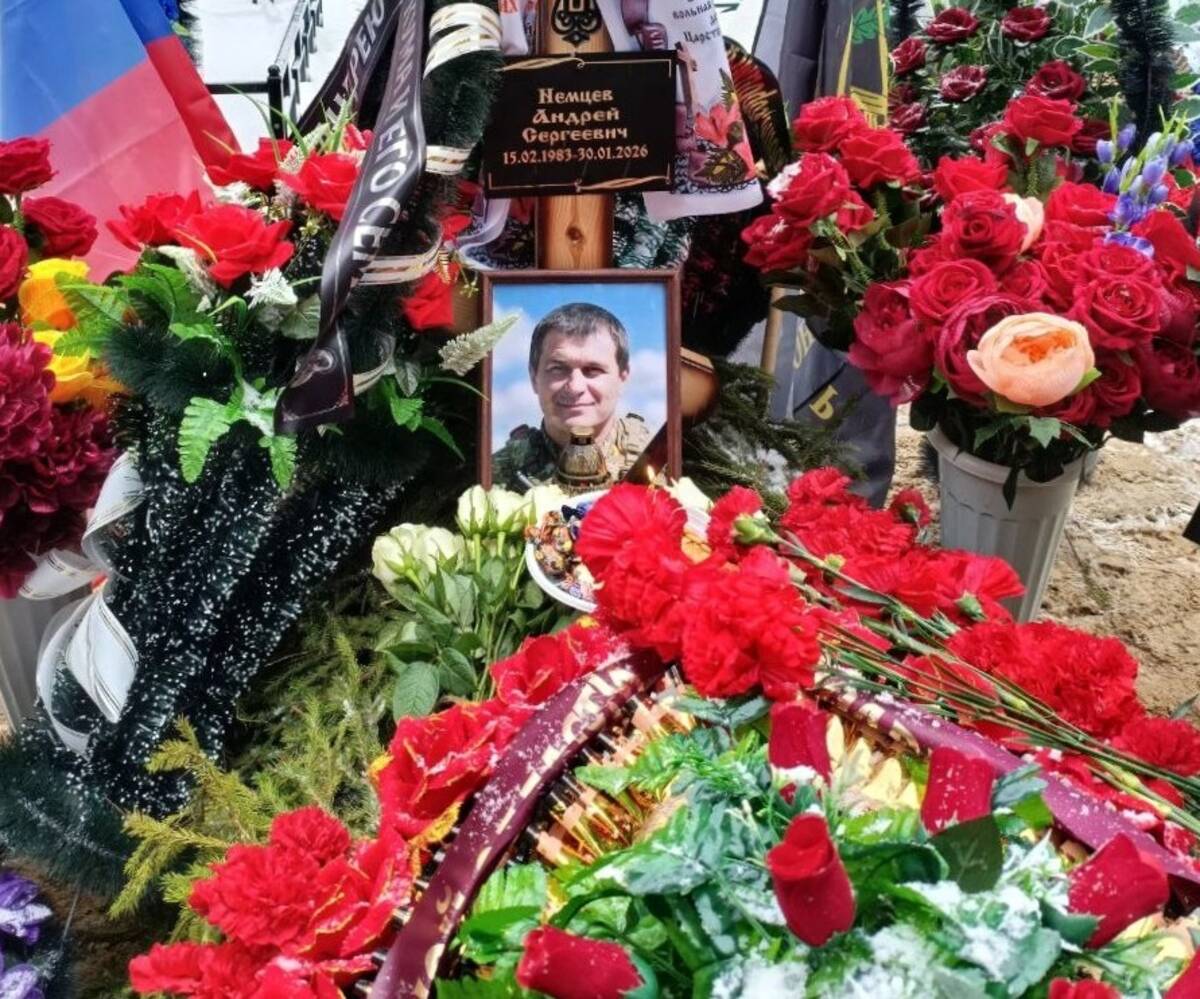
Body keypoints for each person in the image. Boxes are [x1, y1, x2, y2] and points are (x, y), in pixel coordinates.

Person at [493, 302, 651, 489]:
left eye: (593, 370)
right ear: (534, 378)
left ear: (622, 378)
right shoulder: (492, 477)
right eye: (558, 369)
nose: (575, 387)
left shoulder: (661, 461)